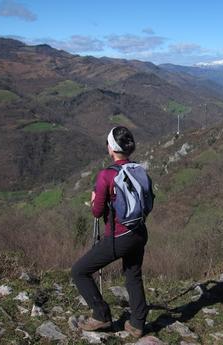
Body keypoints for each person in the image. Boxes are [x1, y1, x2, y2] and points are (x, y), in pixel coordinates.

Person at [71, 126, 149, 338]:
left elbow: (97, 212)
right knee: (133, 275)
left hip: (118, 237)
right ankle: (137, 324)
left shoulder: (106, 175)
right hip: (139, 232)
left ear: (112, 148)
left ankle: (101, 315)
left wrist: (95, 200)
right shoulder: (139, 169)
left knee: (79, 271)